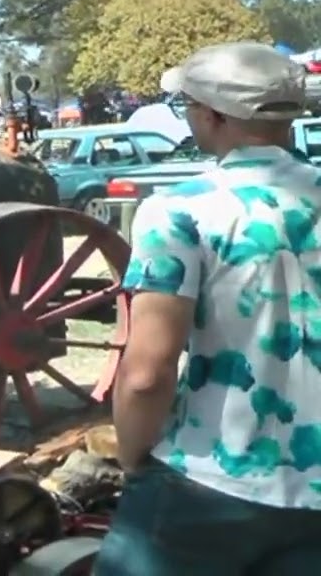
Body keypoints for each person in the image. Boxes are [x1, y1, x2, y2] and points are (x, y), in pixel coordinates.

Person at [96, 43, 321, 575]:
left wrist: (133, 458)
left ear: (212, 115)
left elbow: (147, 373)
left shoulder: (178, 212)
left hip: (209, 481)